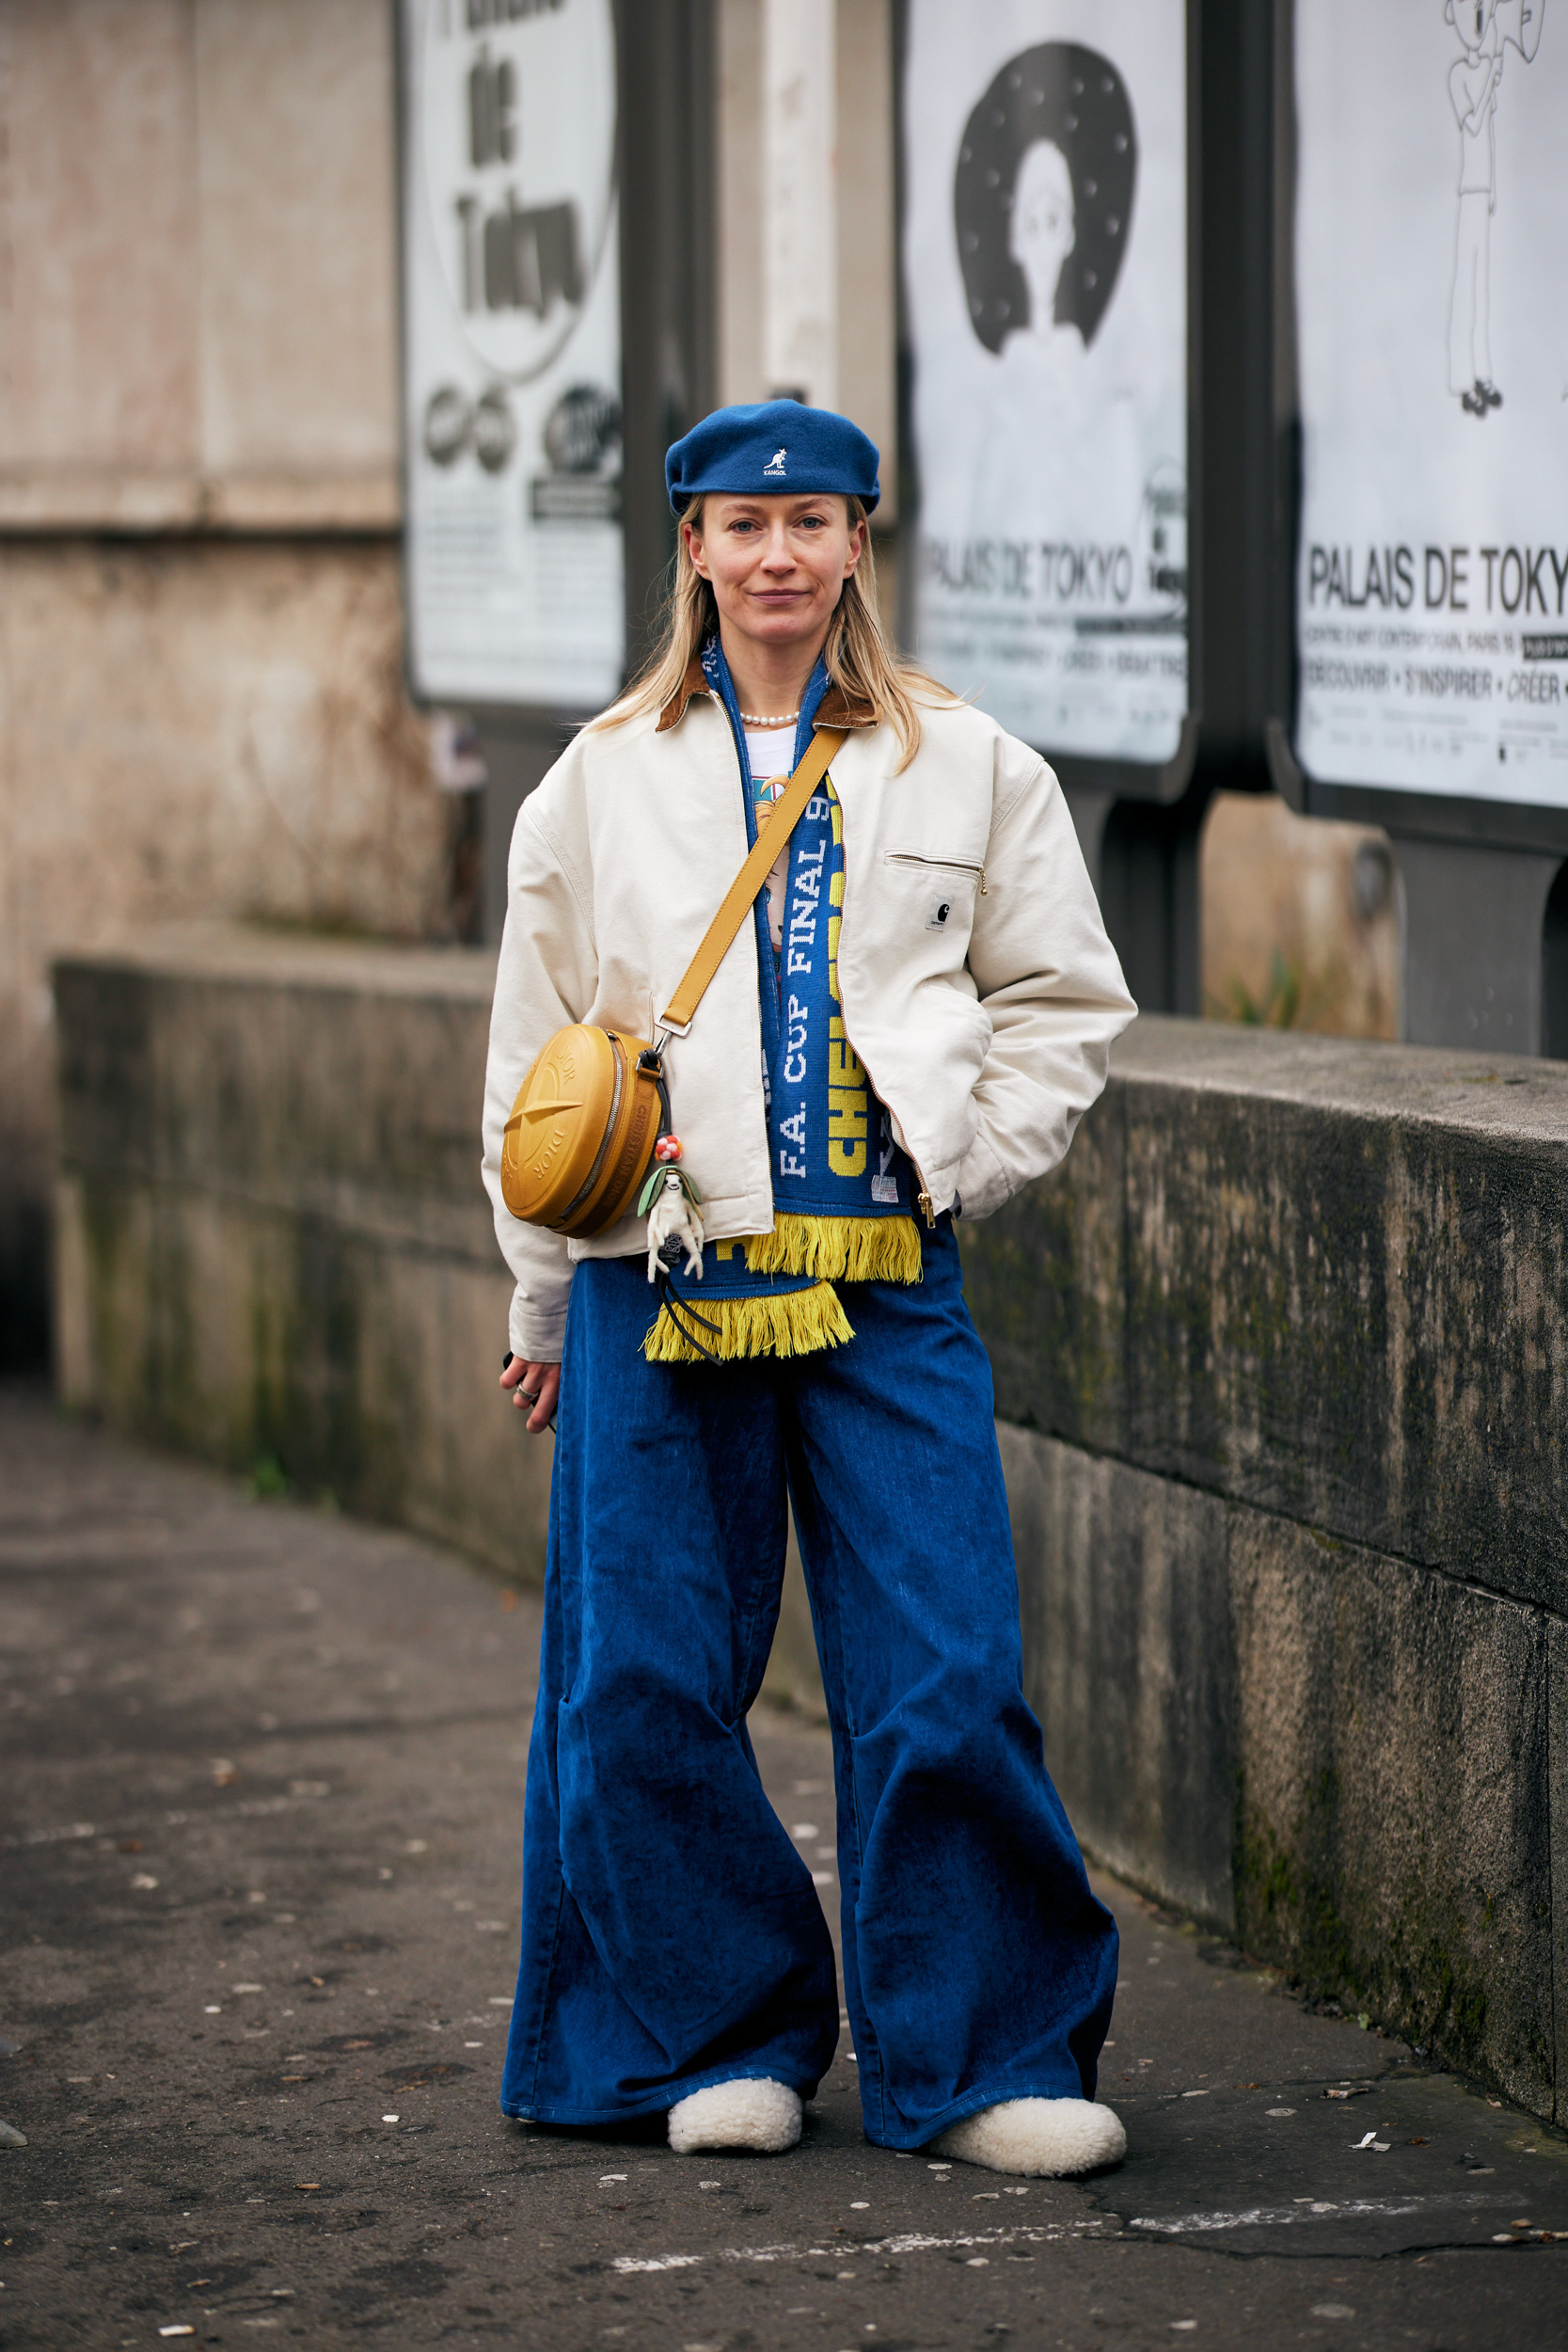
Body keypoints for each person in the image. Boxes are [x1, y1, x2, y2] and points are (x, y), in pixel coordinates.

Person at [481, 398, 1137, 2174]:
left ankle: (987, 2059)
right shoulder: (597, 777)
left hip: (881, 1282)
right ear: (691, 548)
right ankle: (712, 2030)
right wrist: (541, 1302)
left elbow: (1066, 1002)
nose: (778, 553)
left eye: (814, 521)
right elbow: (537, 1058)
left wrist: (964, 1159)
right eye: (742, 524)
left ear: (860, 543)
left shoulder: (969, 762)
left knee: (949, 1665)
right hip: (657, 1276)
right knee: (643, 1683)